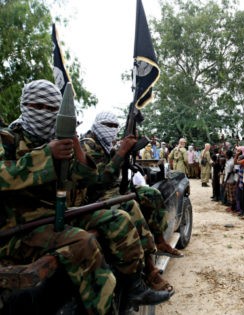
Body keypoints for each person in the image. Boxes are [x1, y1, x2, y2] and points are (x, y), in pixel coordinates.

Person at [0, 80, 168, 314]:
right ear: (25, 106)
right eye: (40, 107)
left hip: (59, 216)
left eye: (53, 110)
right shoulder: (8, 139)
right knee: (83, 242)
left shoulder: (58, 139)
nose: (47, 114)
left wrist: (74, 146)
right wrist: (46, 155)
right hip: (21, 227)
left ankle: (133, 286)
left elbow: (87, 179)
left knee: (118, 219)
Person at [81, 112, 182, 293]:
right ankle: (149, 268)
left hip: (116, 190)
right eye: (107, 125)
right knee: (130, 206)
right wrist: (121, 152)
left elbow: (118, 170)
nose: (111, 130)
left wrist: (127, 152)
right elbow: (98, 181)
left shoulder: (106, 145)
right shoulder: (88, 146)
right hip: (97, 196)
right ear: (96, 124)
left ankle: (159, 240)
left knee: (152, 194)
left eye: (115, 126)